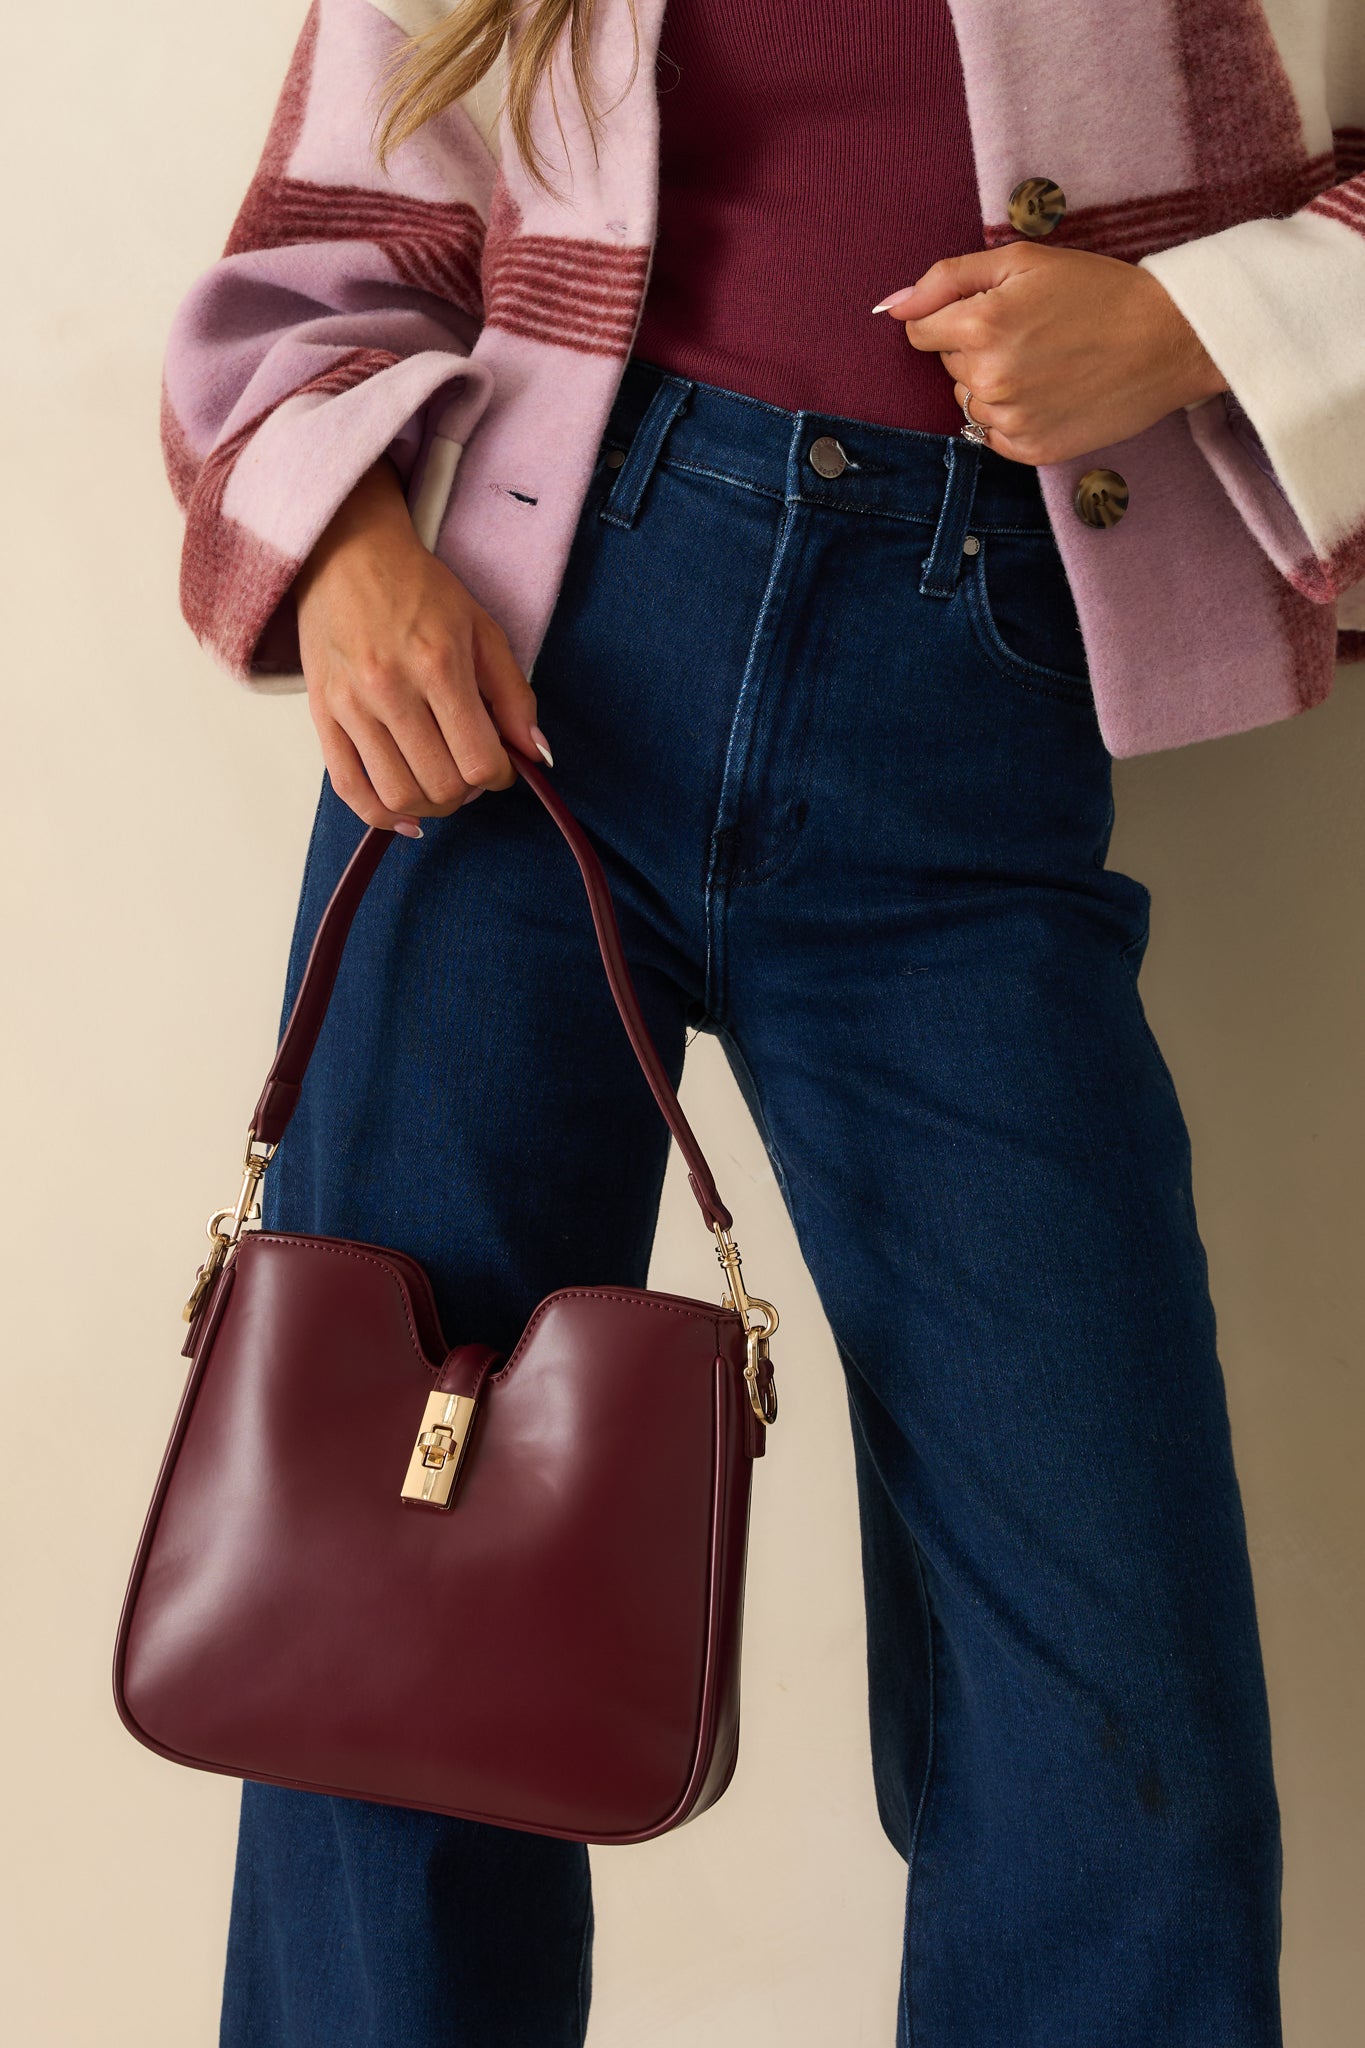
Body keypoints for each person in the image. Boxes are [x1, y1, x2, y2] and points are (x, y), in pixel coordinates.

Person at [159, 2, 1365, 2042]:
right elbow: (321, 270)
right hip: (514, 701)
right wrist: (352, 551)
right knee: (379, 1638)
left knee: (1111, 1718)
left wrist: (1193, 324)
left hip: (969, 728)